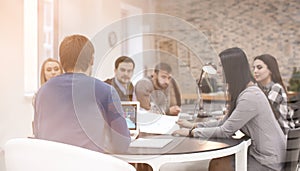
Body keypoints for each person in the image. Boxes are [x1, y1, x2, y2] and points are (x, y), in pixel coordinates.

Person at [173, 47, 286, 171]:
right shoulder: (247, 91)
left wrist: (191, 133)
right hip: (267, 155)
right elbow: (224, 122)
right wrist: (193, 126)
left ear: (232, 69)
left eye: (222, 66)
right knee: (218, 162)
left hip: (268, 162)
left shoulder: (250, 97)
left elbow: (225, 131)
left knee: (217, 165)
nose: (219, 71)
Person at [33, 34, 131, 153]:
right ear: (92, 60)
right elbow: (121, 144)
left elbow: (38, 135)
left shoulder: (42, 92)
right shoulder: (105, 91)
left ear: (61, 61)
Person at [253, 54, 294, 134]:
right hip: (269, 135)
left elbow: (261, 111)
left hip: (282, 135)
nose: (255, 71)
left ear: (270, 70)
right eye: (254, 68)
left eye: (259, 67)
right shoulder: (257, 88)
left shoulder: (276, 88)